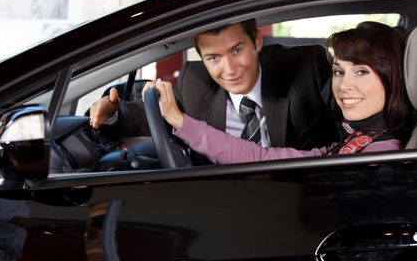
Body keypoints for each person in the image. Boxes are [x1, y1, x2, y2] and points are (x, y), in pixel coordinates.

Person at [153, 21, 413, 164]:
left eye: (361, 71)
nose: (343, 87)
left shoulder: (379, 157)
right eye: (338, 71)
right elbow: (260, 157)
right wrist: (180, 121)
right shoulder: (352, 144)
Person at [89, 19, 339, 165]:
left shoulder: (306, 68)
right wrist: (113, 112)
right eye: (214, 58)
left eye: (237, 51)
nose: (229, 69)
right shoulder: (194, 82)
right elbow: (147, 114)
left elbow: (355, 109)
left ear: (257, 42)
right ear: (202, 59)